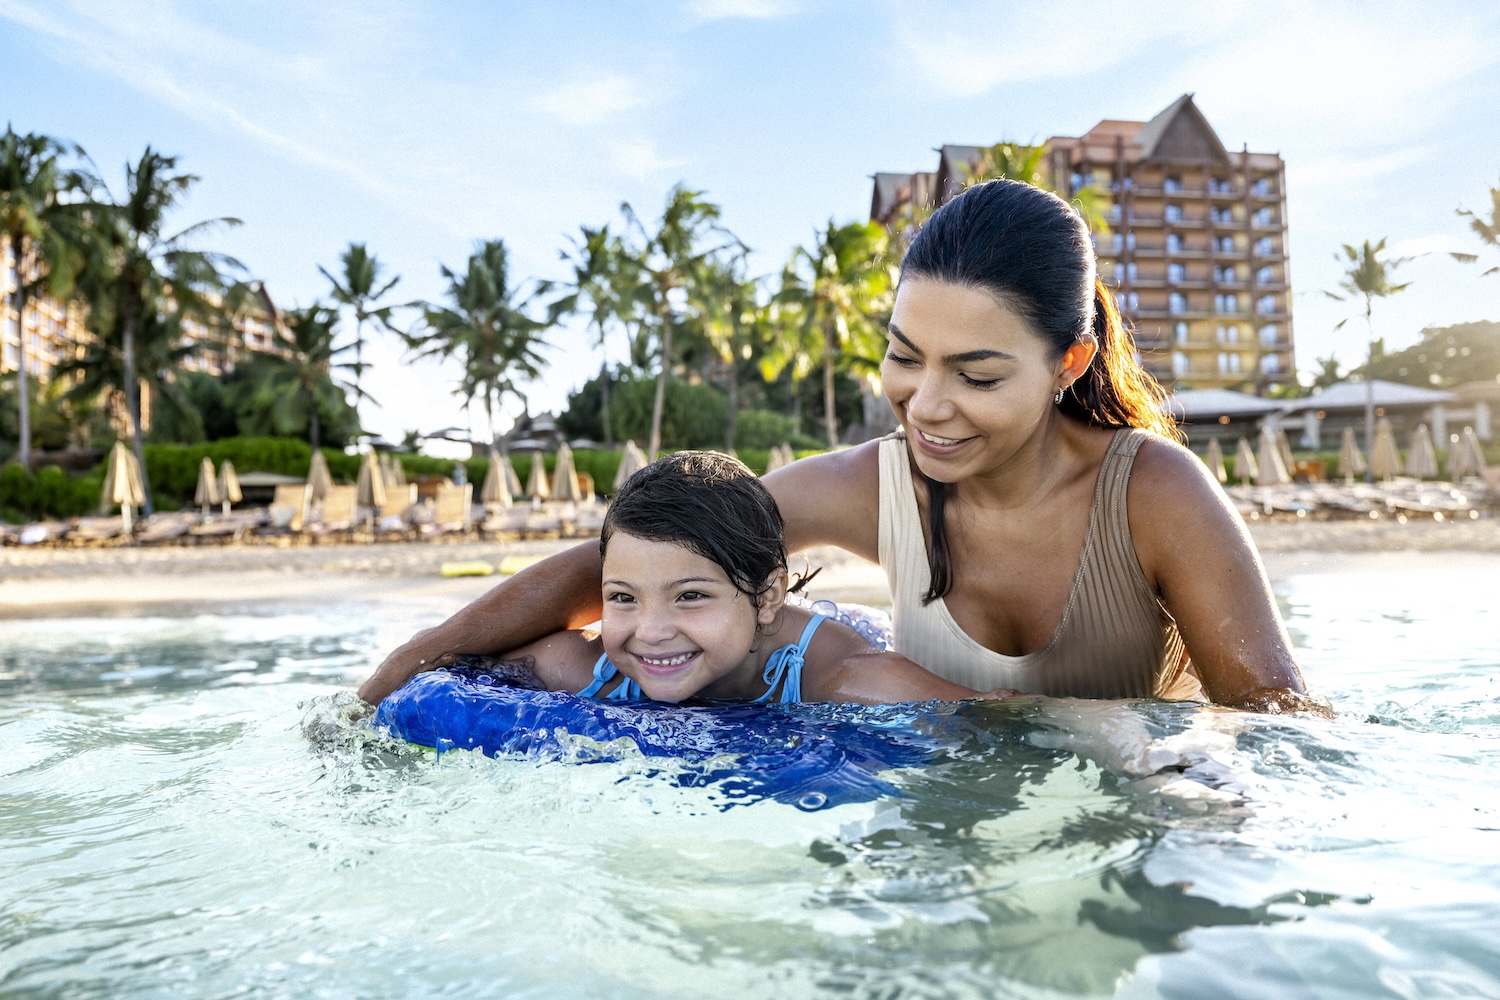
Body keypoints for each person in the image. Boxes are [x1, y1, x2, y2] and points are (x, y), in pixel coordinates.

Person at [359, 180, 1317, 713]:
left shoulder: (1156, 493)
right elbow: (645, 555)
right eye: (905, 358)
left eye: (976, 375)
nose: (926, 406)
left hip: (1120, 813)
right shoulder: (875, 483)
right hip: (946, 814)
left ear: (1069, 359)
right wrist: (403, 669)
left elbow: (1275, 722)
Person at [438, 451, 1005, 705]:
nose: (651, 631)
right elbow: (449, 679)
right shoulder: (585, 665)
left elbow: (1004, 715)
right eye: (622, 598)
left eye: (689, 596)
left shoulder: (846, 678)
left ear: (767, 595)